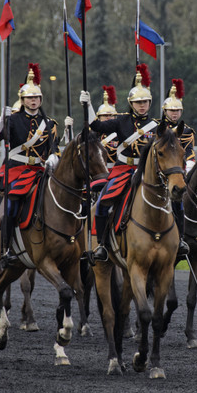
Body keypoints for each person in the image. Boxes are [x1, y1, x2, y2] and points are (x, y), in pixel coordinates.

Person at [0, 62, 60, 265]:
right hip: (17, 169)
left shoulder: (50, 123)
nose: (34, 101)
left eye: (37, 97)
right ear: (23, 99)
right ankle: (6, 248)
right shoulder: (12, 119)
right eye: (30, 98)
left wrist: (54, 155)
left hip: (40, 169)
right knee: (11, 204)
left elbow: (52, 147)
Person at [79, 63, 158, 262]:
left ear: (150, 103)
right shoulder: (121, 121)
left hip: (146, 170)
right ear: (131, 103)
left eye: (145, 102)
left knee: (174, 201)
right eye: (139, 102)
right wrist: (88, 106)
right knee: (103, 202)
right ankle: (103, 245)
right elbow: (96, 125)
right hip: (123, 169)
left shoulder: (157, 126)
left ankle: (180, 240)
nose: (142, 105)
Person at [161, 79, 196, 256]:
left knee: (180, 203)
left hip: (178, 172)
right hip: (159, 171)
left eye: (177, 111)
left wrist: (188, 167)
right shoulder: (156, 127)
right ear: (164, 111)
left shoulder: (187, 131)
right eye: (171, 111)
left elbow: (189, 153)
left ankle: (182, 238)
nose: (174, 114)